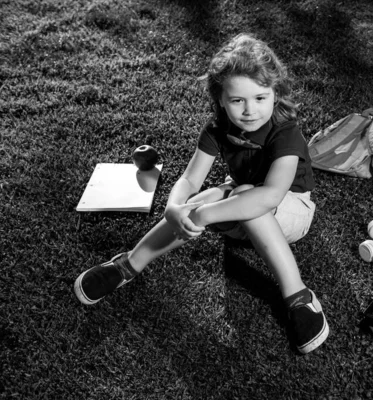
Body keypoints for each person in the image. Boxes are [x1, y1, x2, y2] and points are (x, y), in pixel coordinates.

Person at [74, 33, 329, 354]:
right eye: (238, 100)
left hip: (291, 214)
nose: (250, 110)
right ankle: (126, 266)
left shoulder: (285, 131)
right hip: (239, 203)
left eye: (260, 98)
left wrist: (206, 214)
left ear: (275, 93)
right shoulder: (216, 129)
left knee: (241, 195)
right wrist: (174, 207)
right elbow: (190, 179)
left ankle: (299, 297)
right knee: (197, 201)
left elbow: (271, 196)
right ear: (220, 99)